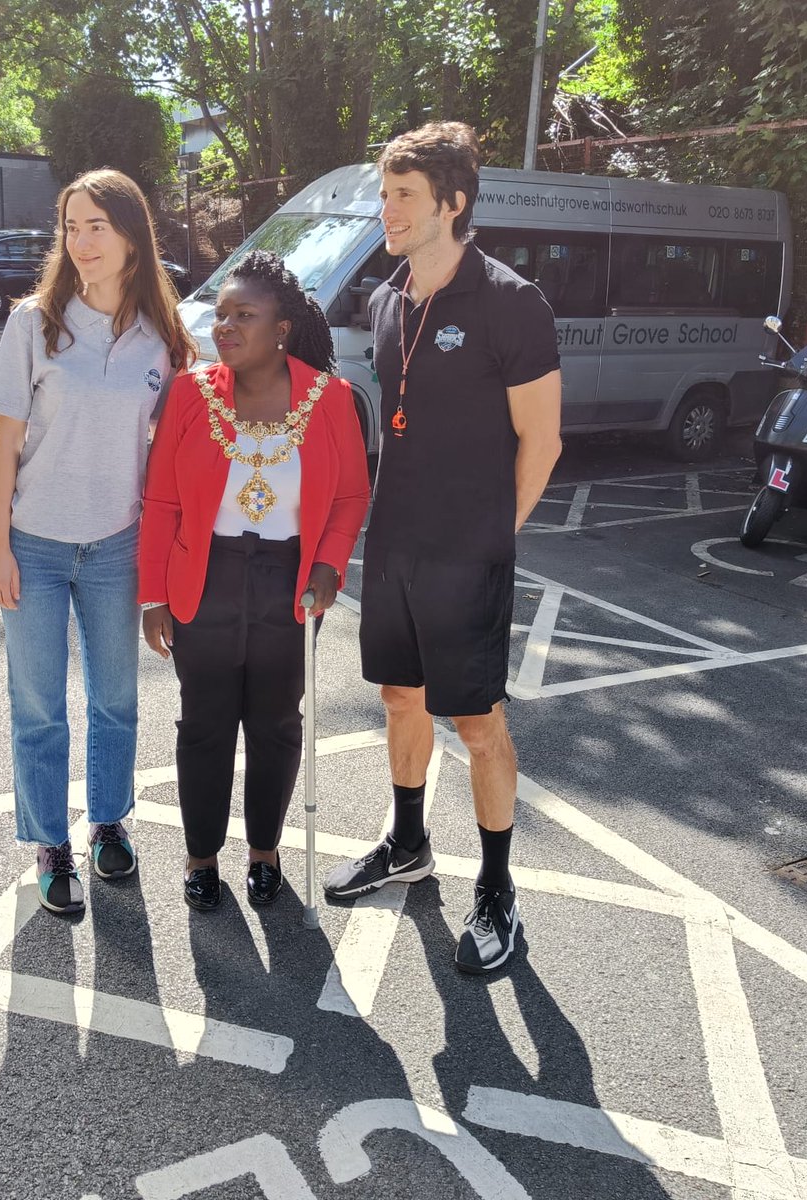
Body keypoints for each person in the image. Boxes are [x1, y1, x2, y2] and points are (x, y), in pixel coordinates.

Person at [322, 123, 563, 975]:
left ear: (453, 204)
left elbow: (543, 441)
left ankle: (498, 891)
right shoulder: (389, 302)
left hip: (470, 553)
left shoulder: (511, 302)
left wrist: (496, 535)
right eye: (384, 194)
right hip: (395, 545)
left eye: (404, 196)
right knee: (399, 699)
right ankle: (409, 843)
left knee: (477, 720)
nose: (386, 210)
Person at [0, 168, 194, 916]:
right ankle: (51, 842)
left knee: (115, 701)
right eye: (71, 226)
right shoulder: (34, 322)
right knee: (38, 705)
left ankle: (109, 824)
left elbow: (178, 457)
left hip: (117, 549)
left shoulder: (161, 339)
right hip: (34, 545)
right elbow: (5, 448)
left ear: (133, 237)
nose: (80, 241)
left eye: (96, 225)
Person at [138, 250, 370, 911]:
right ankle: (200, 856)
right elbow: (161, 502)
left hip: (288, 581)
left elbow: (352, 496)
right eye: (221, 315)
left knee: (274, 724)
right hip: (204, 576)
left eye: (245, 315)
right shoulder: (190, 393)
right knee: (204, 725)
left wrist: (328, 563)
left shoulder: (332, 400)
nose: (226, 327)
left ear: (283, 329)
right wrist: (153, 595)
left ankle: (264, 852)